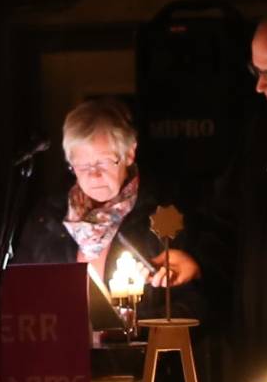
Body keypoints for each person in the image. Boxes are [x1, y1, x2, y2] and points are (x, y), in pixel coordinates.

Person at [164, 6, 267, 382]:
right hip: (264, 339)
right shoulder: (264, 132)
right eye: (256, 72)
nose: (260, 87)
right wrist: (197, 260)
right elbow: (227, 219)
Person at [13, 97, 200, 319]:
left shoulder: (163, 216)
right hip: (63, 349)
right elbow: (20, 294)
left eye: (104, 162)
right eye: (82, 165)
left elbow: (196, 302)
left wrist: (137, 332)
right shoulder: (48, 218)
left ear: (129, 154)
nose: (94, 174)